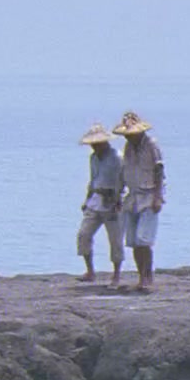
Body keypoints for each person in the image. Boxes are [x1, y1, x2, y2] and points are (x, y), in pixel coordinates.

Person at [113, 110, 165, 292]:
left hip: (149, 194)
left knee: (144, 239)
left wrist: (158, 197)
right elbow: (124, 172)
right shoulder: (128, 148)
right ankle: (140, 275)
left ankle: (147, 276)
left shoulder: (151, 145)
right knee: (134, 240)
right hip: (133, 195)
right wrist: (119, 195)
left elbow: (159, 171)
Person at [75, 122, 124, 286]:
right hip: (95, 200)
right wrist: (87, 199)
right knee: (84, 235)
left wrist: (117, 199)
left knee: (115, 240)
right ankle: (90, 271)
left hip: (112, 202)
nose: (94, 147)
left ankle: (116, 275)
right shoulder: (94, 158)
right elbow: (93, 179)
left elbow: (121, 180)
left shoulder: (117, 157)